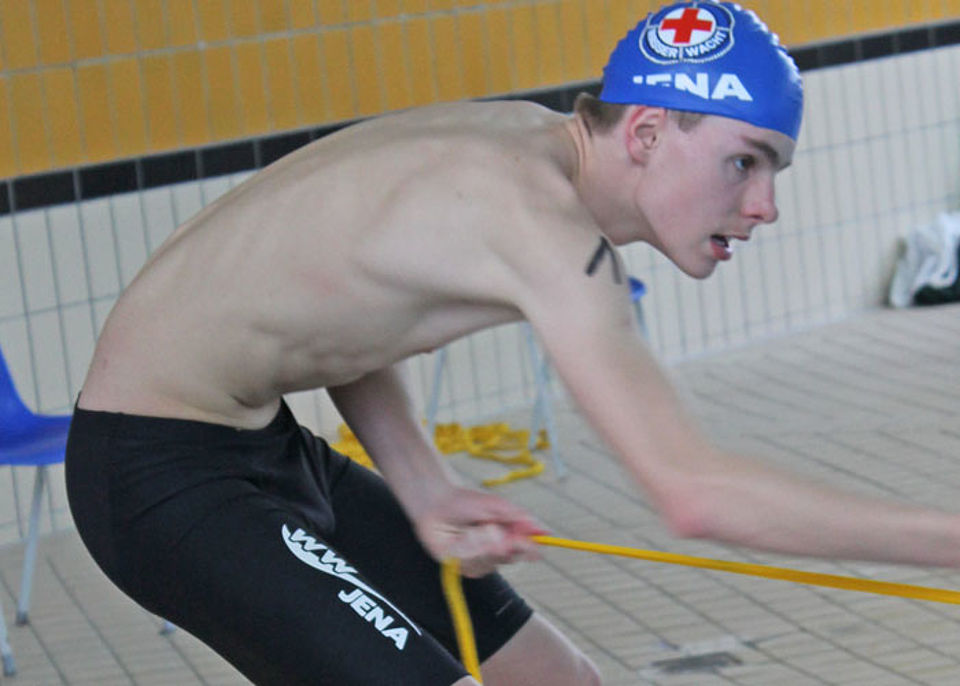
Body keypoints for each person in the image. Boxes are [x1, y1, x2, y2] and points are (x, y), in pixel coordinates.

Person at [65, 2, 960, 684]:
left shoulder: (523, 149)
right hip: (157, 478)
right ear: (648, 132)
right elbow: (695, 495)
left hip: (265, 446)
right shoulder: (539, 221)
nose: (765, 205)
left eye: (774, 170)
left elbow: (340, 302)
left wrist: (423, 485)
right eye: (745, 162)